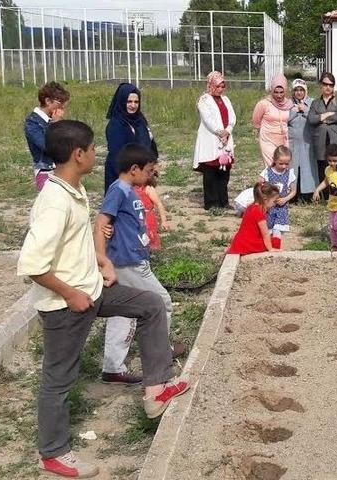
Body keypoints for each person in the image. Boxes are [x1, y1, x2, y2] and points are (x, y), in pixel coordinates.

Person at [17, 121, 188, 478]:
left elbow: (77, 242)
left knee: (151, 305)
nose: (97, 154)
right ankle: (53, 452)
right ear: (78, 154)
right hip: (68, 303)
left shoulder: (73, 190)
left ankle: (155, 388)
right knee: (58, 377)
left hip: (93, 287)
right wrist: (70, 293)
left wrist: (103, 261)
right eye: (93, 149)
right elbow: (32, 264)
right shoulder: (54, 201)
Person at [95, 143, 186, 385]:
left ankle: (113, 367)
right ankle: (160, 352)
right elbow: (102, 221)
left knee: (123, 313)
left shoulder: (129, 190)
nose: (150, 175)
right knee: (161, 302)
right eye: (148, 170)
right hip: (127, 262)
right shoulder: (119, 190)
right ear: (134, 169)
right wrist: (103, 259)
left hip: (134, 259)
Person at [194, 71, 236, 210]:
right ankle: (211, 202)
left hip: (225, 139)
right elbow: (208, 119)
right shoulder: (204, 100)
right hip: (211, 139)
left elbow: (232, 117)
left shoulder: (226, 99)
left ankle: (223, 201)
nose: (220, 89)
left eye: (223, 86)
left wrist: (227, 131)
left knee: (224, 172)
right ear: (211, 85)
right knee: (210, 172)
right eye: (218, 86)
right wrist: (219, 132)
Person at [104, 83, 155, 194]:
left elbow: (150, 142)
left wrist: (153, 163)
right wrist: (131, 177)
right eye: (129, 102)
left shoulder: (140, 120)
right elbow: (117, 155)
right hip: (122, 176)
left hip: (141, 173)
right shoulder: (116, 124)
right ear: (122, 101)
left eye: (136, 102)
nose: (133, 105)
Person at [24, 81, 69, 191]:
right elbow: (47, 145)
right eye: (59, 103)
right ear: (48, 101)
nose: (62, 107)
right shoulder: (33, 122)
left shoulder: (53, 120)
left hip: (60, 169)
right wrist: (56, 124)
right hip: (46, 170)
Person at [308, 72, 337, 187]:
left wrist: (321, 118)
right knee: (322, 167)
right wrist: (326, 115)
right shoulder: (315, 103)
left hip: (336, 139)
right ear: (321, 85)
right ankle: (325, 195)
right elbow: (311, 119)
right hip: (320, 140)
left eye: (331, 85)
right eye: (325, 84)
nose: (328, 87)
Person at [312, 144, 337, 251]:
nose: (332, 163)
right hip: (332, 204)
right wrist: (317, 190)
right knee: (332, 226)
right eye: (330, 160)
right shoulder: (328, 170)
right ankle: (335, 245)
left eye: (335, 160)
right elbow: (326, 181)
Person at [226, 182, 282, 255]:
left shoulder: (250, 207)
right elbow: (265, 234)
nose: (274, 204)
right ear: (265, 199)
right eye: (274, 201)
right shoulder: (259, 212)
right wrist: (270, 248)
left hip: (239, 242)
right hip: (249, 245)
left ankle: (233, 249)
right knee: (276, 241)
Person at [258, 146, 297, 250]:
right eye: (281, 163)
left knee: (277, 229)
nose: (284, 166)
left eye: (287, 163)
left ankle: (276, 248)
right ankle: (267, 247)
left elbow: (293, 191)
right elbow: (258, 187)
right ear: (274, 160)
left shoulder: (289, 174)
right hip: (267, 208)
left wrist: (285, 199)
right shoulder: (267, 172)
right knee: (267, 229)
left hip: (281, 208)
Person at [252, 74, 292, 168]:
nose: (279, 95)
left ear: (285, 91)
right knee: (272, 165)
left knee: (283, 165)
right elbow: (256, 121)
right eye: (276, 92)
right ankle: (271, 183)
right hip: (267, 139)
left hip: (283, 139)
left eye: (281, 92)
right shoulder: (264, 104)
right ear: (272, 90)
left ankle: (282, 183)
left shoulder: (289, 104)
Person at [287, 78, 317, 201]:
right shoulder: (288, 103)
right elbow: (284, 118)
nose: (299, 93)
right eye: (296, 90)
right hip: (292, 140)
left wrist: (304, 110)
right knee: (292, 167)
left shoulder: (312, 102)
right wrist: (295, 111)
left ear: (305, 91)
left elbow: (315, 118)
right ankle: (292, 194)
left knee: (308, 167)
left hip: (307, 140)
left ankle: (308, 194)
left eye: (301, 90)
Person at [136, 166, 169, 252]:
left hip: (147, 218)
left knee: (149, 235)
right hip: (136, 216)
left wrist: (164, 220)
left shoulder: (148, 188)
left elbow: (159, 204)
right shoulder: (132, 188)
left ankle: (150, 253)